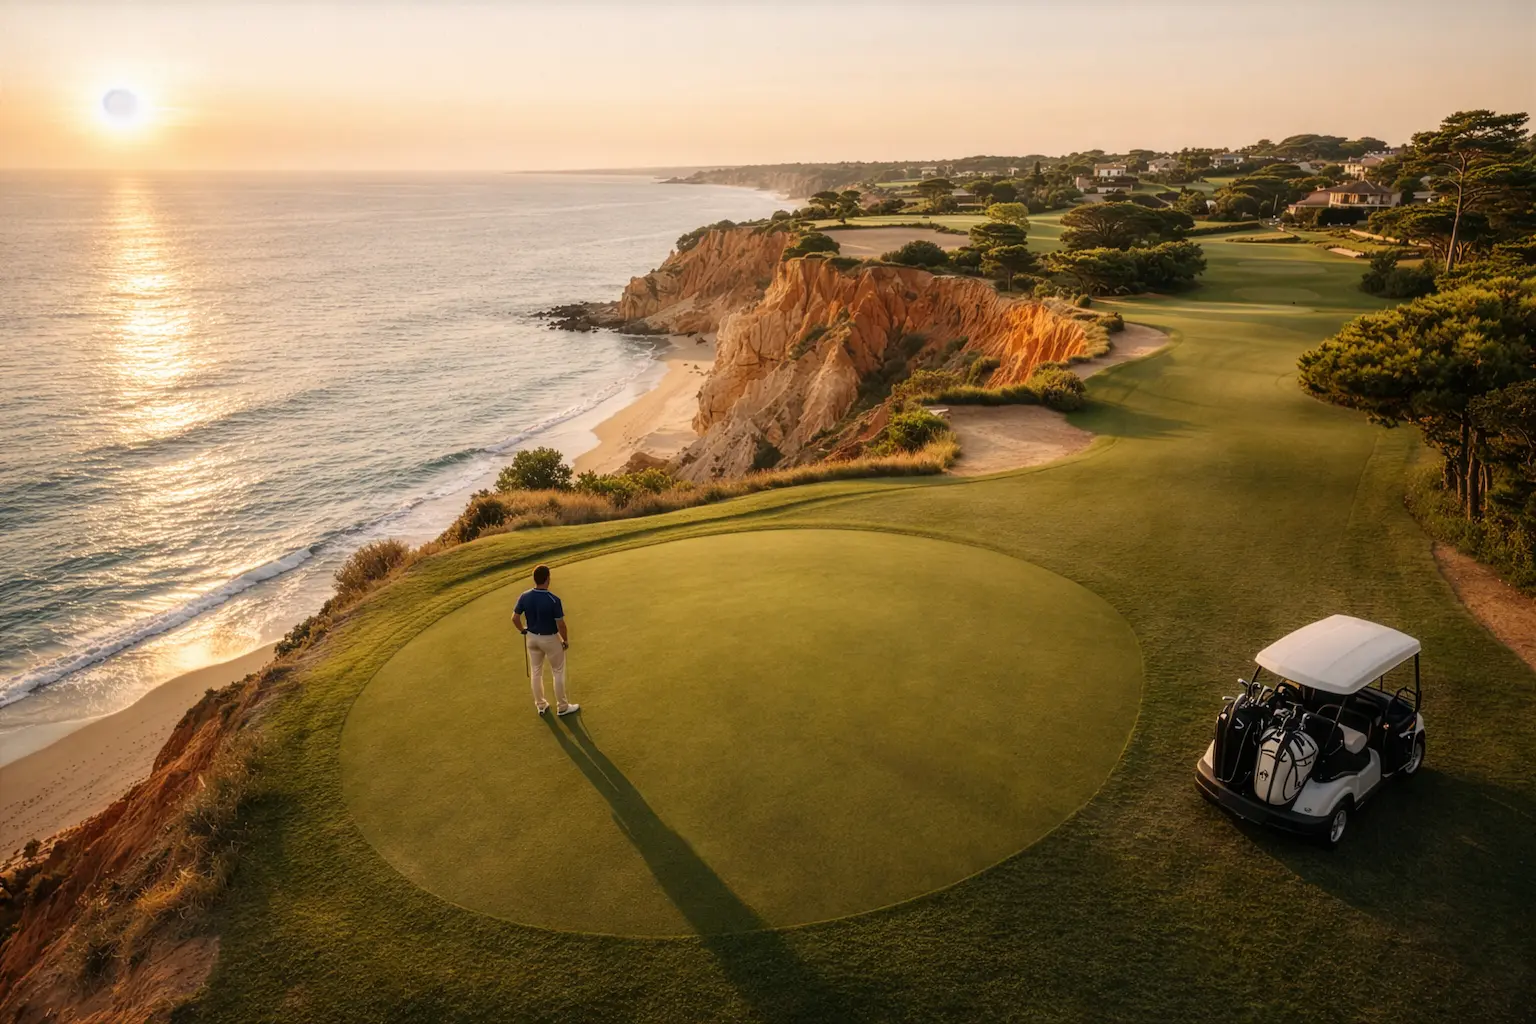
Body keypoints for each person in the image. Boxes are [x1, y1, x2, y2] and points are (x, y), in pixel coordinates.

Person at [512, 564, 579, 717]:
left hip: (532, 638)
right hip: (550, 639)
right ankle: (562, 706)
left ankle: (541, 705)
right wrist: (565, 640)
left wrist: (523, 630)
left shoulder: (524, 596)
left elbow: (515, 618)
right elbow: (561, 624)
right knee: (558, 671)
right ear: (548, 579)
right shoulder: (553, 599)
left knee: (536, 671)